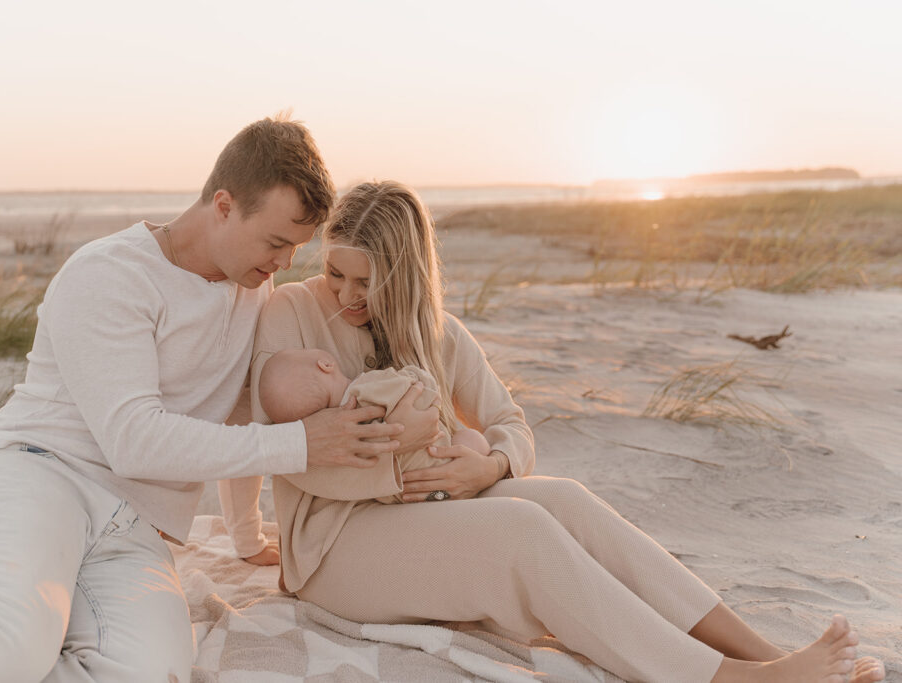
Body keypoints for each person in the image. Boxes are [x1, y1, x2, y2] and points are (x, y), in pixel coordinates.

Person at [224, 180, 886, 683]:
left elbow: (513, 427)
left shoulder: (439, 335)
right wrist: (397, 473)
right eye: (335, 270)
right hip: (333, 549)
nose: (343, 292)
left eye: (366, 280)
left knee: (567, 499)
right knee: (523, 531)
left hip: (431, 512)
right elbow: (291, 456)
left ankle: (764, 652)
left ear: (407, 275)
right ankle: (726, 679)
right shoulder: (290, 313)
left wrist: (489, 467)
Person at [0, 117, 408, 683]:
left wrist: (250, 534)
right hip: (33, 480)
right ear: (223, 205)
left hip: (135, 530)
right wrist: (302, 444)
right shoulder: (109, 273)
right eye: (276, 242)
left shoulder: (254, 291)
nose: (283, 262)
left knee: (151, 674)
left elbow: (237, 413)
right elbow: (136, 440)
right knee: (6, 641)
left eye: (295, 249)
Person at [258, 347, 490, 503]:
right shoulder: (367, 387)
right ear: (325, 365)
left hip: (406, 494)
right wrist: (416, 375)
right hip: (441, 464)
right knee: (472, 439)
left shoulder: (339, 441)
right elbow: (422, 390)